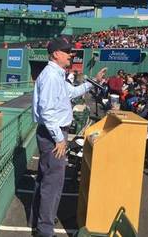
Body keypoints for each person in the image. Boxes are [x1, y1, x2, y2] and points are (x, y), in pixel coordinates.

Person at [32, 36, 106, 237]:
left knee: (46, 181)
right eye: (67, 52)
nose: (71, 55)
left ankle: (40, 221)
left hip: (52, 133)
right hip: (52, 135)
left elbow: (72, 93)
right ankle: (45, 230)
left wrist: (95, 82)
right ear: (56, 54)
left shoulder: (56, 74)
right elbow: (46, 112)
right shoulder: (50, 76)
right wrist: (59, 139)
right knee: (52, 185)